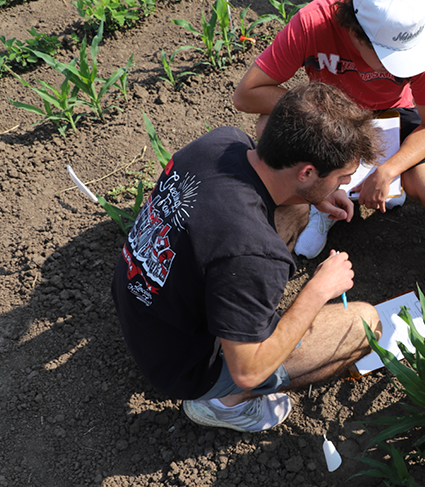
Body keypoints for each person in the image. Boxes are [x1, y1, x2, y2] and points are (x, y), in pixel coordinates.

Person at [112, 84, 381, 433]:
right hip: (182, 365)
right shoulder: (253, 252)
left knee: (295, 211)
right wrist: (317, 291)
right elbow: (248, 371)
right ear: (307, 173)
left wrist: (314, 197)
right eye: (341, 178)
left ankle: (247, 314)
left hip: (142, 305)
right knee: (365, 324)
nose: (344, 185)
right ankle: (224, 405)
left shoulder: (223, 142)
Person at [232, 0, 425, 258]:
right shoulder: (313, 22)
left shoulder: (412, 38)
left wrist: (389, 170)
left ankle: (381, 182)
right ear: (357, 35)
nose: (401, 67)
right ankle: (318, 201)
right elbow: (246, 94)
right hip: (331, 113)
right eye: (391, 57)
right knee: (267, 126)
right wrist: (324, 112)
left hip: (392, 113)